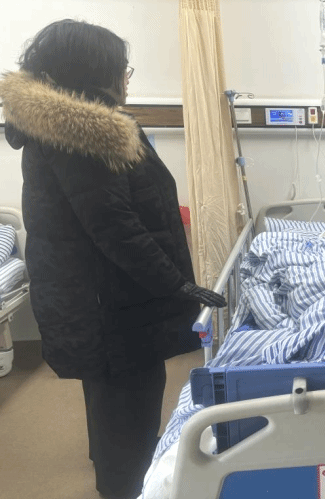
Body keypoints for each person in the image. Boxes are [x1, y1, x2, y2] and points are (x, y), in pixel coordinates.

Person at [0, 20, 226, 498]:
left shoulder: (64, 130)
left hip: (97, 296)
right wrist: (176, 284)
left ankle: (115, 465)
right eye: (121, 69)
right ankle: (123, 484)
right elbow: (117, 230)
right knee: (129, 399)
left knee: (111, 397)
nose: (126, 78)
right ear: (92, 73)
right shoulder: (86, 136)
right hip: (111, 304)